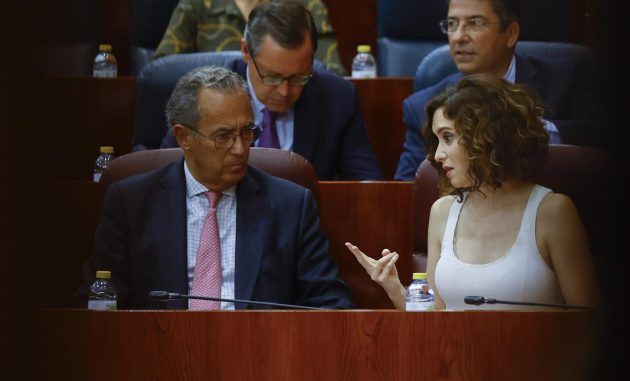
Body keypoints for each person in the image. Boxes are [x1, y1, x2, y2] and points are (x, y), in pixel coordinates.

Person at [77, 66, 354, 310]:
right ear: (183, 137)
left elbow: (329, 305)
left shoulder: (291, 205)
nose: (240, 149)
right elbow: (98, 304)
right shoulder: (131, 203)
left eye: (247, 132)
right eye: (223, 136)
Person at [347, 74, 600, 310]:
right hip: (454, 357)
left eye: (448, 138)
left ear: (487, 137)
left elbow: (586, 320)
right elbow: (435, 319)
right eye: (436, 140)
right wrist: (395, 290)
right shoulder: (442, 211)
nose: (437, 155)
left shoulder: (553, 212)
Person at [159, 0, 383, 181]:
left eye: (298, 77)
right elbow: (167, 175)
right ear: (246, 52)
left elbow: (366, 184)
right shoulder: (206, 96)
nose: (285, 91)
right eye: (273, 77)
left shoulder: (338, 98)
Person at [394, 0, 604, 180]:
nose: (458, 37)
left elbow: (599, 139)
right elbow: (409, 188)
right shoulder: (421, 106)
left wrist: (526, 129)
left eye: (474, 23)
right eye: (452, 24)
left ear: (511, 33)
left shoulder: (565, 77)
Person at [153, 0, 346, 76]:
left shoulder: (306, 6)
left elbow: (332, 73)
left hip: (289, 113)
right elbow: (162, 73)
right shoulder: (197, 5)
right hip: (213, 118)